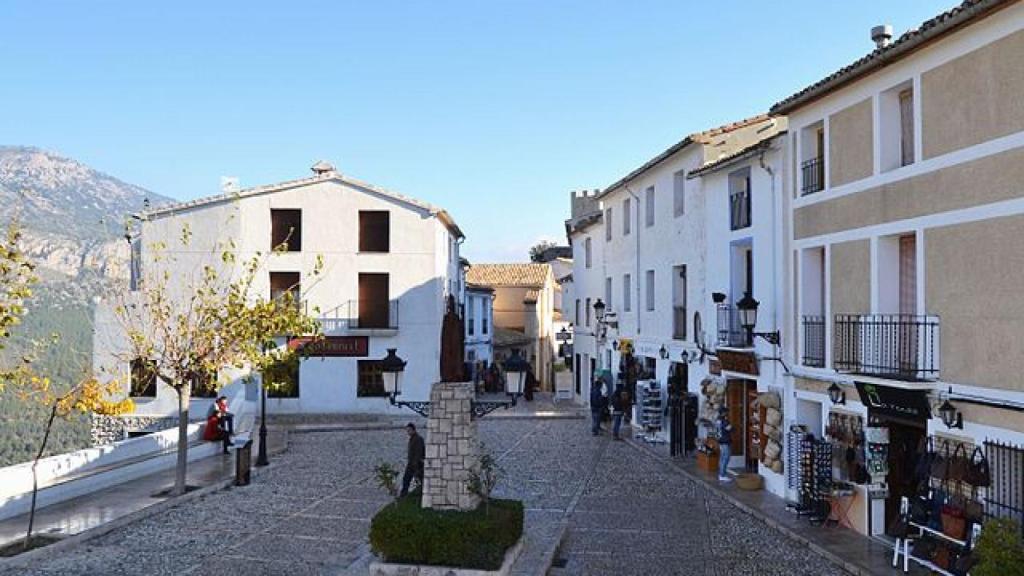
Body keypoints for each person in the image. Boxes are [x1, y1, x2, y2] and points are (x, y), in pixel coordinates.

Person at [401, 422, 425, 496]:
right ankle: (404, 495)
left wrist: (415, 463)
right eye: (407, 431)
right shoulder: (412, 439)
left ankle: (405, 495)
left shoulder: (418, 439)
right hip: (412, 463)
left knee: (411, 479)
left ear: (414, 430)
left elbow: (418, 452)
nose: (408, 432)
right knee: (407, 479)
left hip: (416, 463)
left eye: (409, 430)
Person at [717, 407, 734, 482]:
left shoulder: (718, 420)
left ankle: (721, 474)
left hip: (720, 440)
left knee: (722, 457)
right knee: (726, 458)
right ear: (723, 413)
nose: (728, 413)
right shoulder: (724, 421)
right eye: (726, 412)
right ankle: (722, 475)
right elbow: (729, 428)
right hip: (725, 441)